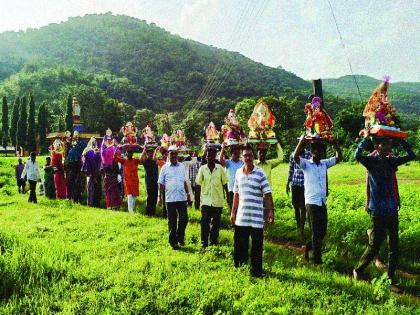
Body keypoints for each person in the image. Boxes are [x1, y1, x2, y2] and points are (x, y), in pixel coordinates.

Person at [353, 130, 416, 287]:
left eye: (389, 143)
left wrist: (400, 140)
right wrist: (365, 139)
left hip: (391, 209)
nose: (389, 146)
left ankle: (390, 278)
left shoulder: (391, 161)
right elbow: (357, 155)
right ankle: (358, 270)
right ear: (377, 145)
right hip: (378, 210)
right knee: (375, 245)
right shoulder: (371, 161)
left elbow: (411, 155)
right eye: (385, 143)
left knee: (394, 246)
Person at [293, 136, 342, 265]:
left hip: (322, 202)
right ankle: (317, 261)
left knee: (323, 231)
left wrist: (336, 144)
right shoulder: (306, 164)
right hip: (311, 202)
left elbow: (339, 158)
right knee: (315, 232)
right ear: (313, 152)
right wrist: (301, 143)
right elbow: (295, 157)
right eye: (318, 151)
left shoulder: (324, 163)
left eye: (322, 151)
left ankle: (307, 247)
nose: (320, 153)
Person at [230, 145, 274, 277]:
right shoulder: (238, 173)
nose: (248, 158)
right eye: (245, 155)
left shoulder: (260, 173)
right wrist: (233, 212)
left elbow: (267, 194)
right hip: (241, 217)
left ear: (253, 157)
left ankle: (256, 272)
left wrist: (271, 211)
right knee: (240, 245)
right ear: (242, 157)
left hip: (256, 218)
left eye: (250, 155)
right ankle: (240, 268)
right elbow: (236, 194)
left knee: (256, 247)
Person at [158, 145, 191, 249]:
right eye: (171, 153)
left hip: (182, 198)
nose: (173, 155)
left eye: (175, 153)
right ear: (168, 154)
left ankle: (180, 238)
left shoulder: (181, 166)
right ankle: (173, 243)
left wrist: (189, 194)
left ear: (177, 155)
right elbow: (161, 184)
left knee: (184, 219)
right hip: (170, 199)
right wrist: (159, 197)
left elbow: (185, 181)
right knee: (172, 222)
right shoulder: (164, 168)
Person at [195, 147, 229, 248]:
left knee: (216, 223)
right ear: (205, 157)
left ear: (215, 156)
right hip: (205, 201)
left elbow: (225, 184)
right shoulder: (202, 169)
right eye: (207, 155)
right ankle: (204, 242)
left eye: (211, 155)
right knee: (204, 222)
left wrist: (228, 196)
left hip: (217, 201)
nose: (209, 157)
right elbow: (198, 185)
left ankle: (213, 242)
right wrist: (197, 200)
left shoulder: (220, 169)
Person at [286, 149, 312, 236]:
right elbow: (291, 169)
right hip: (295, 183)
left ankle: (301, 228)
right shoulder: (293, 154)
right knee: (295, 206)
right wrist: (287, 183)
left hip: (304, 184)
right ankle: (298, 226)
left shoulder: (308, 154)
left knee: (303, 206)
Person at [101, 130, 122, 210]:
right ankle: (111, 205)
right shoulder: (109, 150)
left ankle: (113, 205)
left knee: (112, 189)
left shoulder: (112, 149)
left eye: (110, 139)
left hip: (112, 172)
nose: (109, 141)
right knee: (111, 189)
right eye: (108, 140)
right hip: (110, 172)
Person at [220, 144, 244, 211]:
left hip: (241, 189)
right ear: (231, 154)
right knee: (232, 208)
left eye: (238, 153)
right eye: (235, 153)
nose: (237, 155)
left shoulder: (242, 163)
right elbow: (220, 161)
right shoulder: (228, 162)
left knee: (240, 209)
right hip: (231, 190)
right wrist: (223, 148)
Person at [82, 137, 102, 207]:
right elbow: (84, 162)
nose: (94, 143)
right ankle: (91, 204)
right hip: (91, 175)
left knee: (96, 189)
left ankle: (95, 204)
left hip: (96, 174)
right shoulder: (87, 152)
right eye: (93, 142)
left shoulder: (98, 152)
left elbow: (101, 162)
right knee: (91, 189)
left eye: (95, 142)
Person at [140, 146, 159, 216]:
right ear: (147, 154)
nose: (151, 154)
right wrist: (144, 150)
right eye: (150, 152)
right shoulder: (146, 161)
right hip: (149, 182)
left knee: (155, 197)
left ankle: (153, 212)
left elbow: (155, 159)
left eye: (152, 152)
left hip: (155, 181)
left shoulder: (155, 160)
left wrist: (156, 151)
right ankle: (148, 212)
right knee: (150, 197)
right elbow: (141, 159)